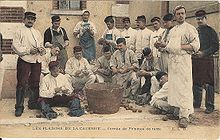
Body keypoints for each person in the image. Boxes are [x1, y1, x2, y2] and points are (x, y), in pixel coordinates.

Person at [164, 5, 200, 128]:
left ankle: (184, 115)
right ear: (175, 15)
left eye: (182, 13)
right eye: (178, 14)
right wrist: (164, 45)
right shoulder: (172, 30)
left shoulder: (190, 29)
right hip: (173, 62)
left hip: (184, 61)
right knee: (174, 87)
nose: (180, 16)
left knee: (184, 88)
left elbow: (196, 46)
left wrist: (179, 46)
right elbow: (168, 45)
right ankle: (176, 112)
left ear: (185, 14)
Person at [12, 11, 46, 117]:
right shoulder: (19, 31)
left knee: (35, 82)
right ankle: (19, 107)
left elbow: (41, 45)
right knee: (22, 83)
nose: (30, 20)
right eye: (28, 18)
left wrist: (41, 49)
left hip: (36, 60)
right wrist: (29, 51)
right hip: (25, 60)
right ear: (24, 19)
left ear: (34, 21)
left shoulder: (37, 32)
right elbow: (16, 47)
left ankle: (33, 103)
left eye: (32, 19)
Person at [192, 10, 219, 114]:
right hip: (196, 60)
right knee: (196, 82)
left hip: (207, 60)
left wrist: (204, 53)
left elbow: (215, 46)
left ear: (205, 19)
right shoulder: (195, 31)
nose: (199, 21)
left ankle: (210, 106)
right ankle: (197, 102)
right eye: (198, 19)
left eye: (201, 19)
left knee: (209, 83)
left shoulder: (211, 31)